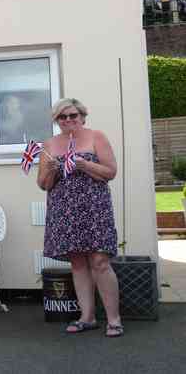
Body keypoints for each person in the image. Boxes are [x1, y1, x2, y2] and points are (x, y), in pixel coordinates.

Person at [37, 98, 123, 337]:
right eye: (62, 117)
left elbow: (111, 172)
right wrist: (52, 170)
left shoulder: (97, 137)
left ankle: (114, 319)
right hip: (64, 210)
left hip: (95, 207)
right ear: (57, 121)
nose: (68, 120)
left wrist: (85, 165)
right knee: (77, 263)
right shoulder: (50, 145)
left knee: (100, 262)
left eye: (72, 115)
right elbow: (43, 185)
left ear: (82, 116)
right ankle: (87, 317)